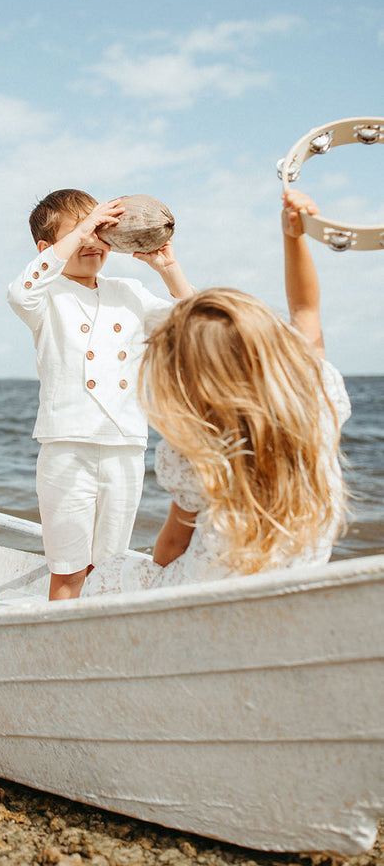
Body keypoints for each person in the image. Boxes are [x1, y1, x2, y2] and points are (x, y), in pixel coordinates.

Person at [82, 189, 351, 597]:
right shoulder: (317, 395)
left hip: (210, 588)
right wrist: (294, 237)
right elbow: (306, 311)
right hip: (299, 574)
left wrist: (150, 588)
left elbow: (172, 547)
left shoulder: (196, 446)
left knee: (109, 574)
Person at [8, 188, 196, 600]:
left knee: (108, 571)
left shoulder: (128, 293)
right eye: (80, 232)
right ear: (48, 247)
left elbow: (195, 324)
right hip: (66, 446)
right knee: (70, 572)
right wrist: (86, 227)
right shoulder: (46, 295)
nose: (93, 240)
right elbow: (20, 291)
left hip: (125, 445)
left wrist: (168, 268)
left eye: (100, 229)